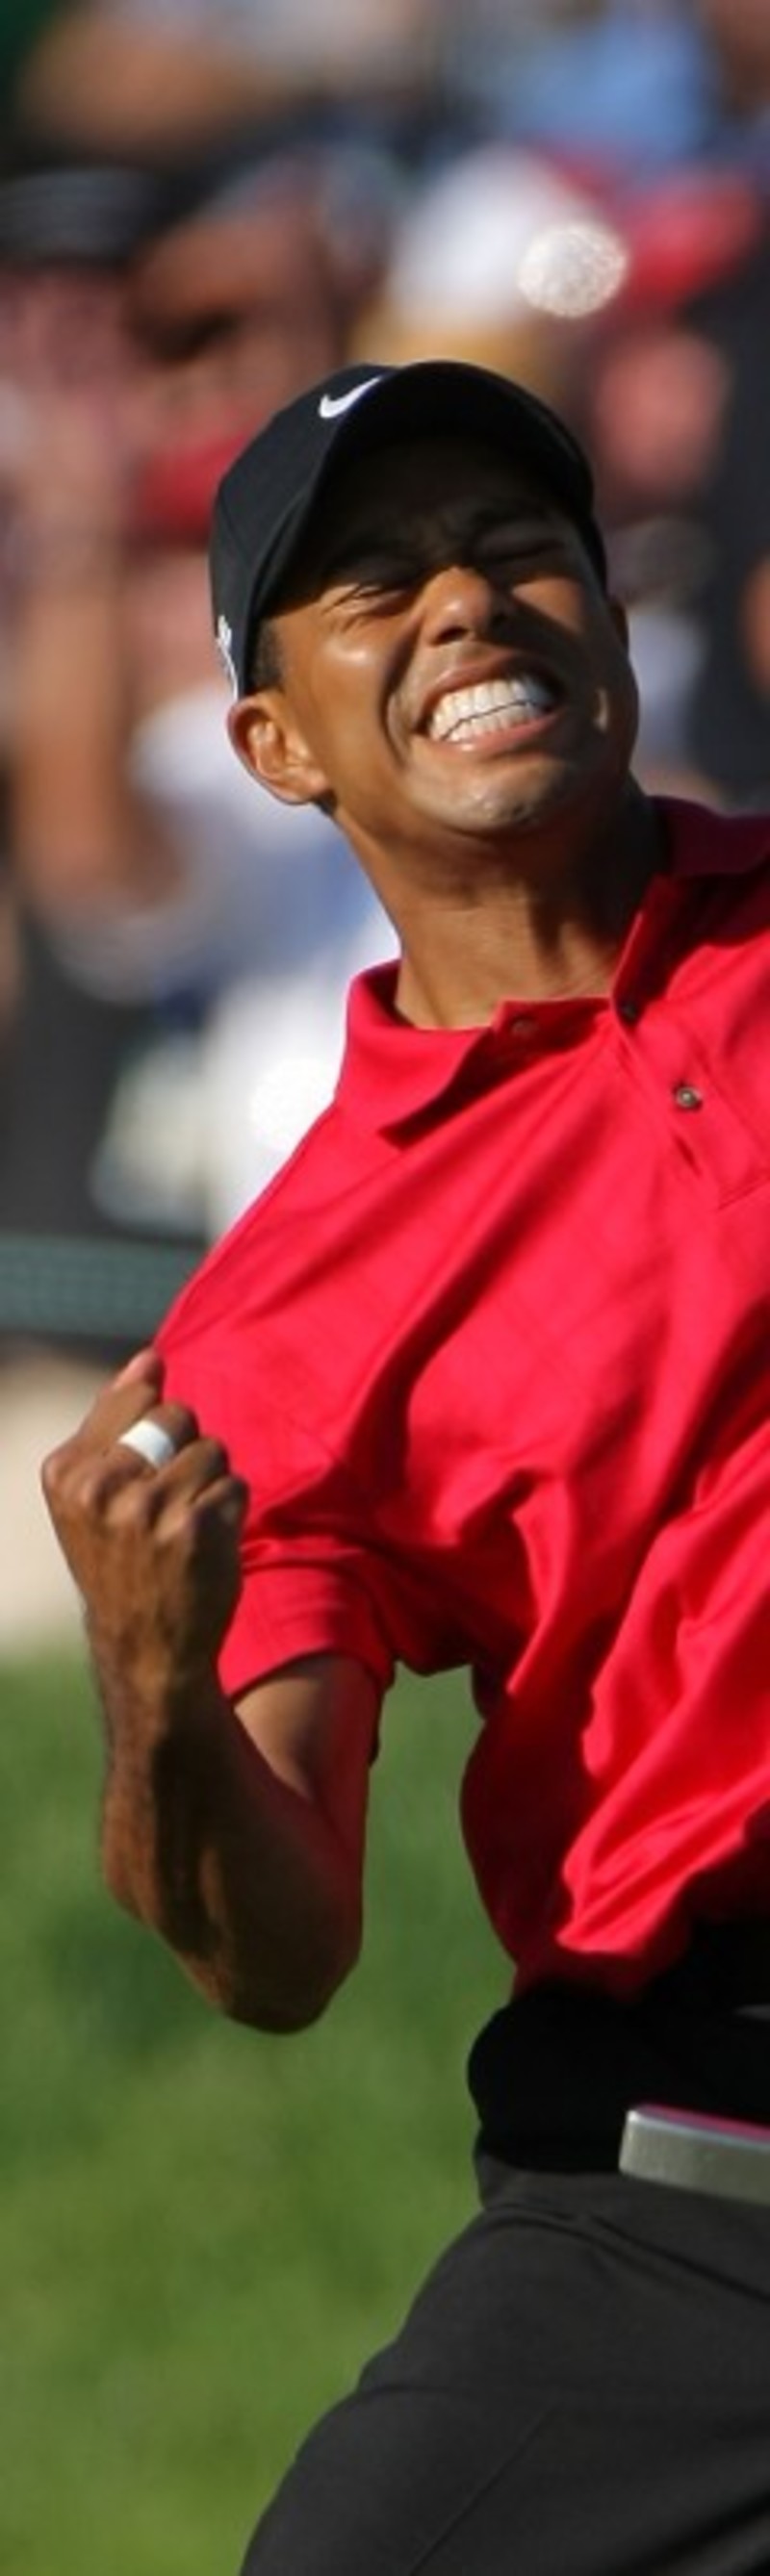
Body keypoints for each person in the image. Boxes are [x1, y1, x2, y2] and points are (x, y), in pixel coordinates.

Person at [41, 357, 770, 2574]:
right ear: (275, 743)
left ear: (613, 623)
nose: (464, 601)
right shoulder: (277, 1325)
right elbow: (276, 1956)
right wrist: (152, 1676)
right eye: (373, 586)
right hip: (699, 2211)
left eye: (514, 551)